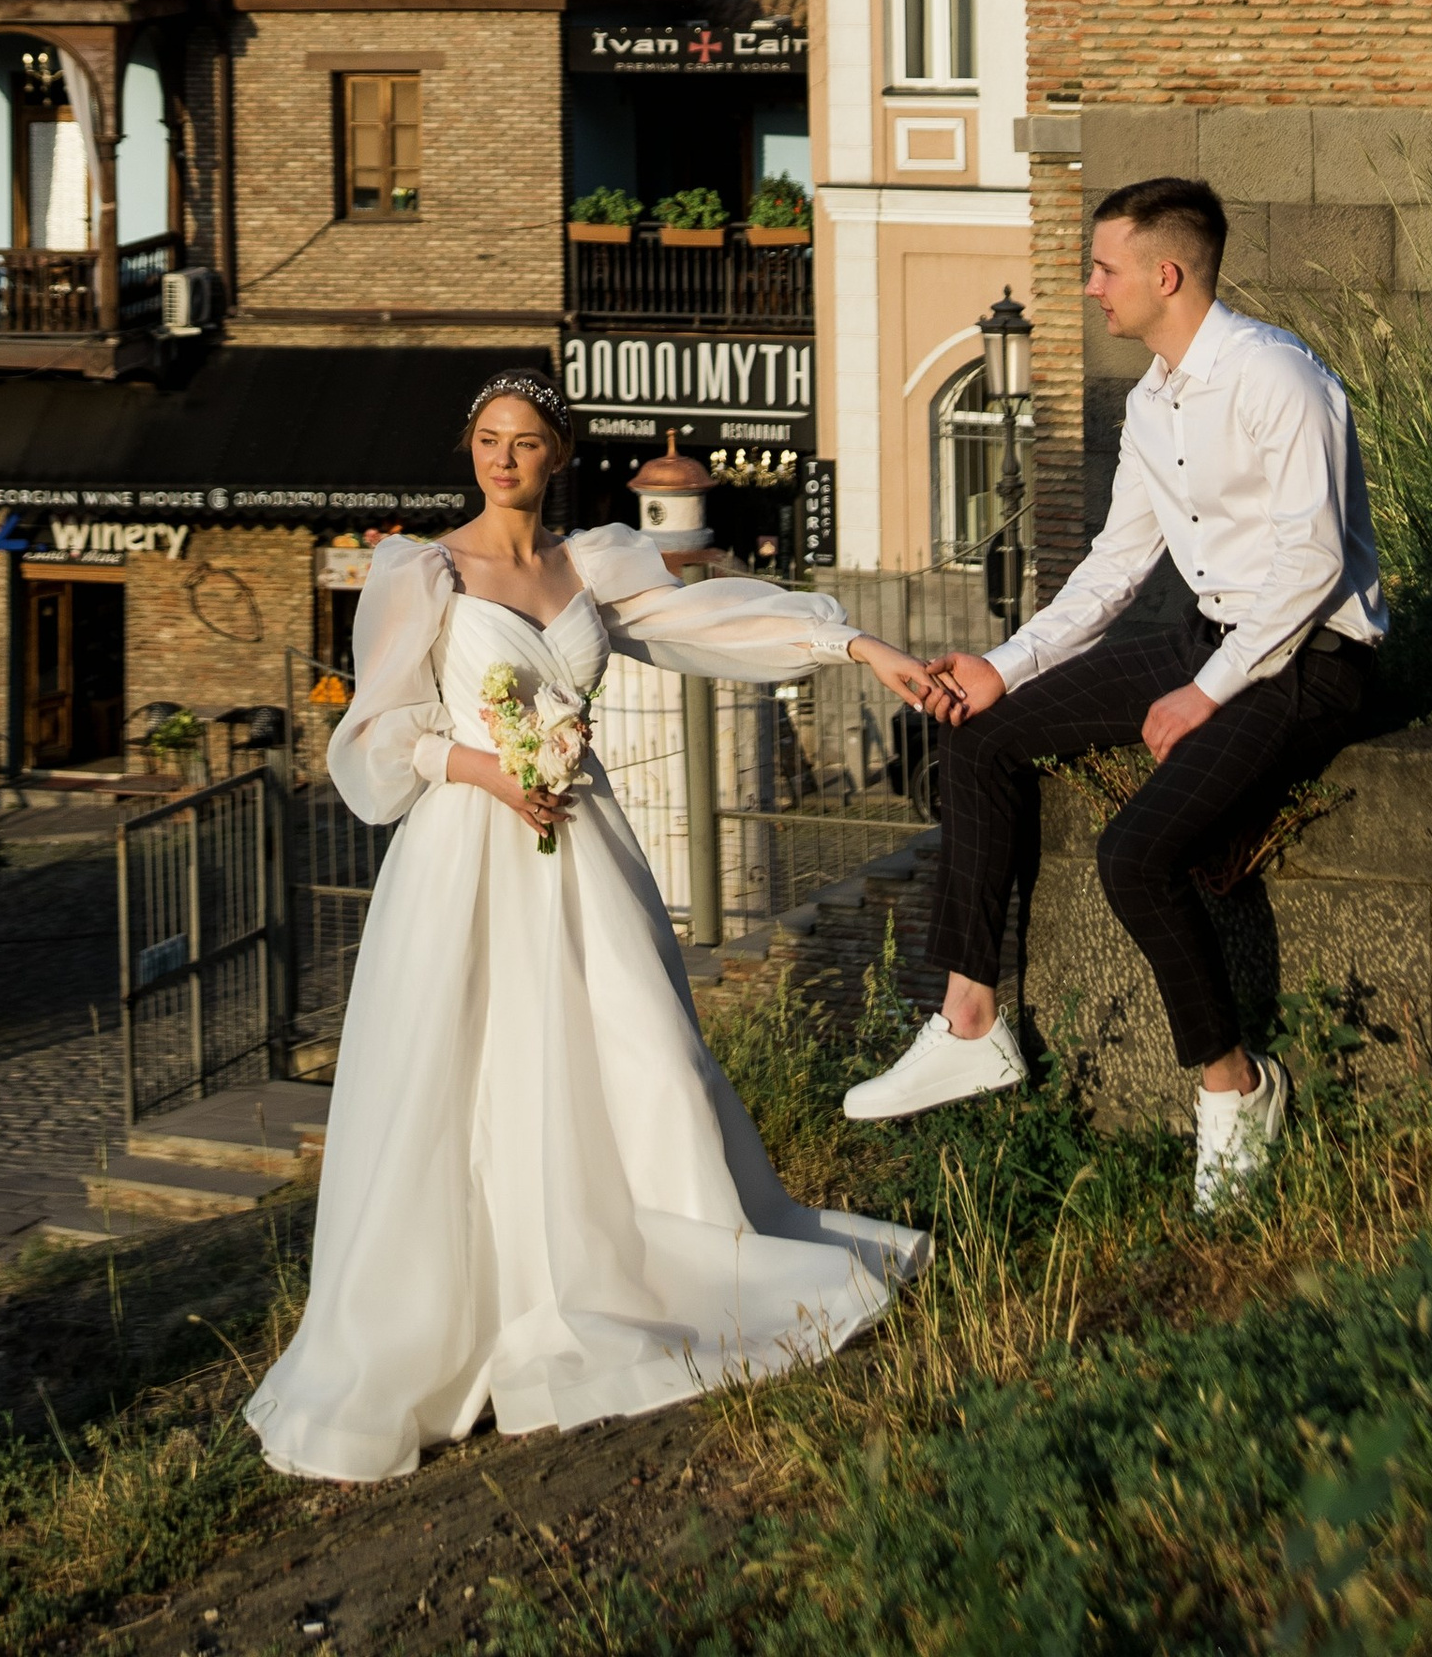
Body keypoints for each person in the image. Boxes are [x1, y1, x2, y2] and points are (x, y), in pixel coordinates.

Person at [245, 372, 935, 1483]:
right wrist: (481, 767)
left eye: (524, 442)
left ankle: (654, 1260)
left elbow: (717, 618)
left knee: (638, 1045)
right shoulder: (420, 571)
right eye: (486, 440)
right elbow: (374, 737)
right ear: (467, 448)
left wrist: (857, 648)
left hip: (581, 842)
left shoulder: (593, 565)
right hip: (468, 849)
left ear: (558, 455)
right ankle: (452, 1311)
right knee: (462, 1070)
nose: (503, 459)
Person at [843, 177, 1386, 1213]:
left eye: (1103, 268)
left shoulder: (1278, 379)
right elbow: (1113, 566)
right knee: (980, 733)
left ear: (1164, 274)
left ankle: (1234, 1089)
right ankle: (967, 1020)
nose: (1090, 287)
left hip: (1312, 657)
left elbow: (1312, 565)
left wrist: (1209, 692)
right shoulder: (1150, 399)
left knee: (1135, 853)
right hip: (1206, 635)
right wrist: (1004, 664)